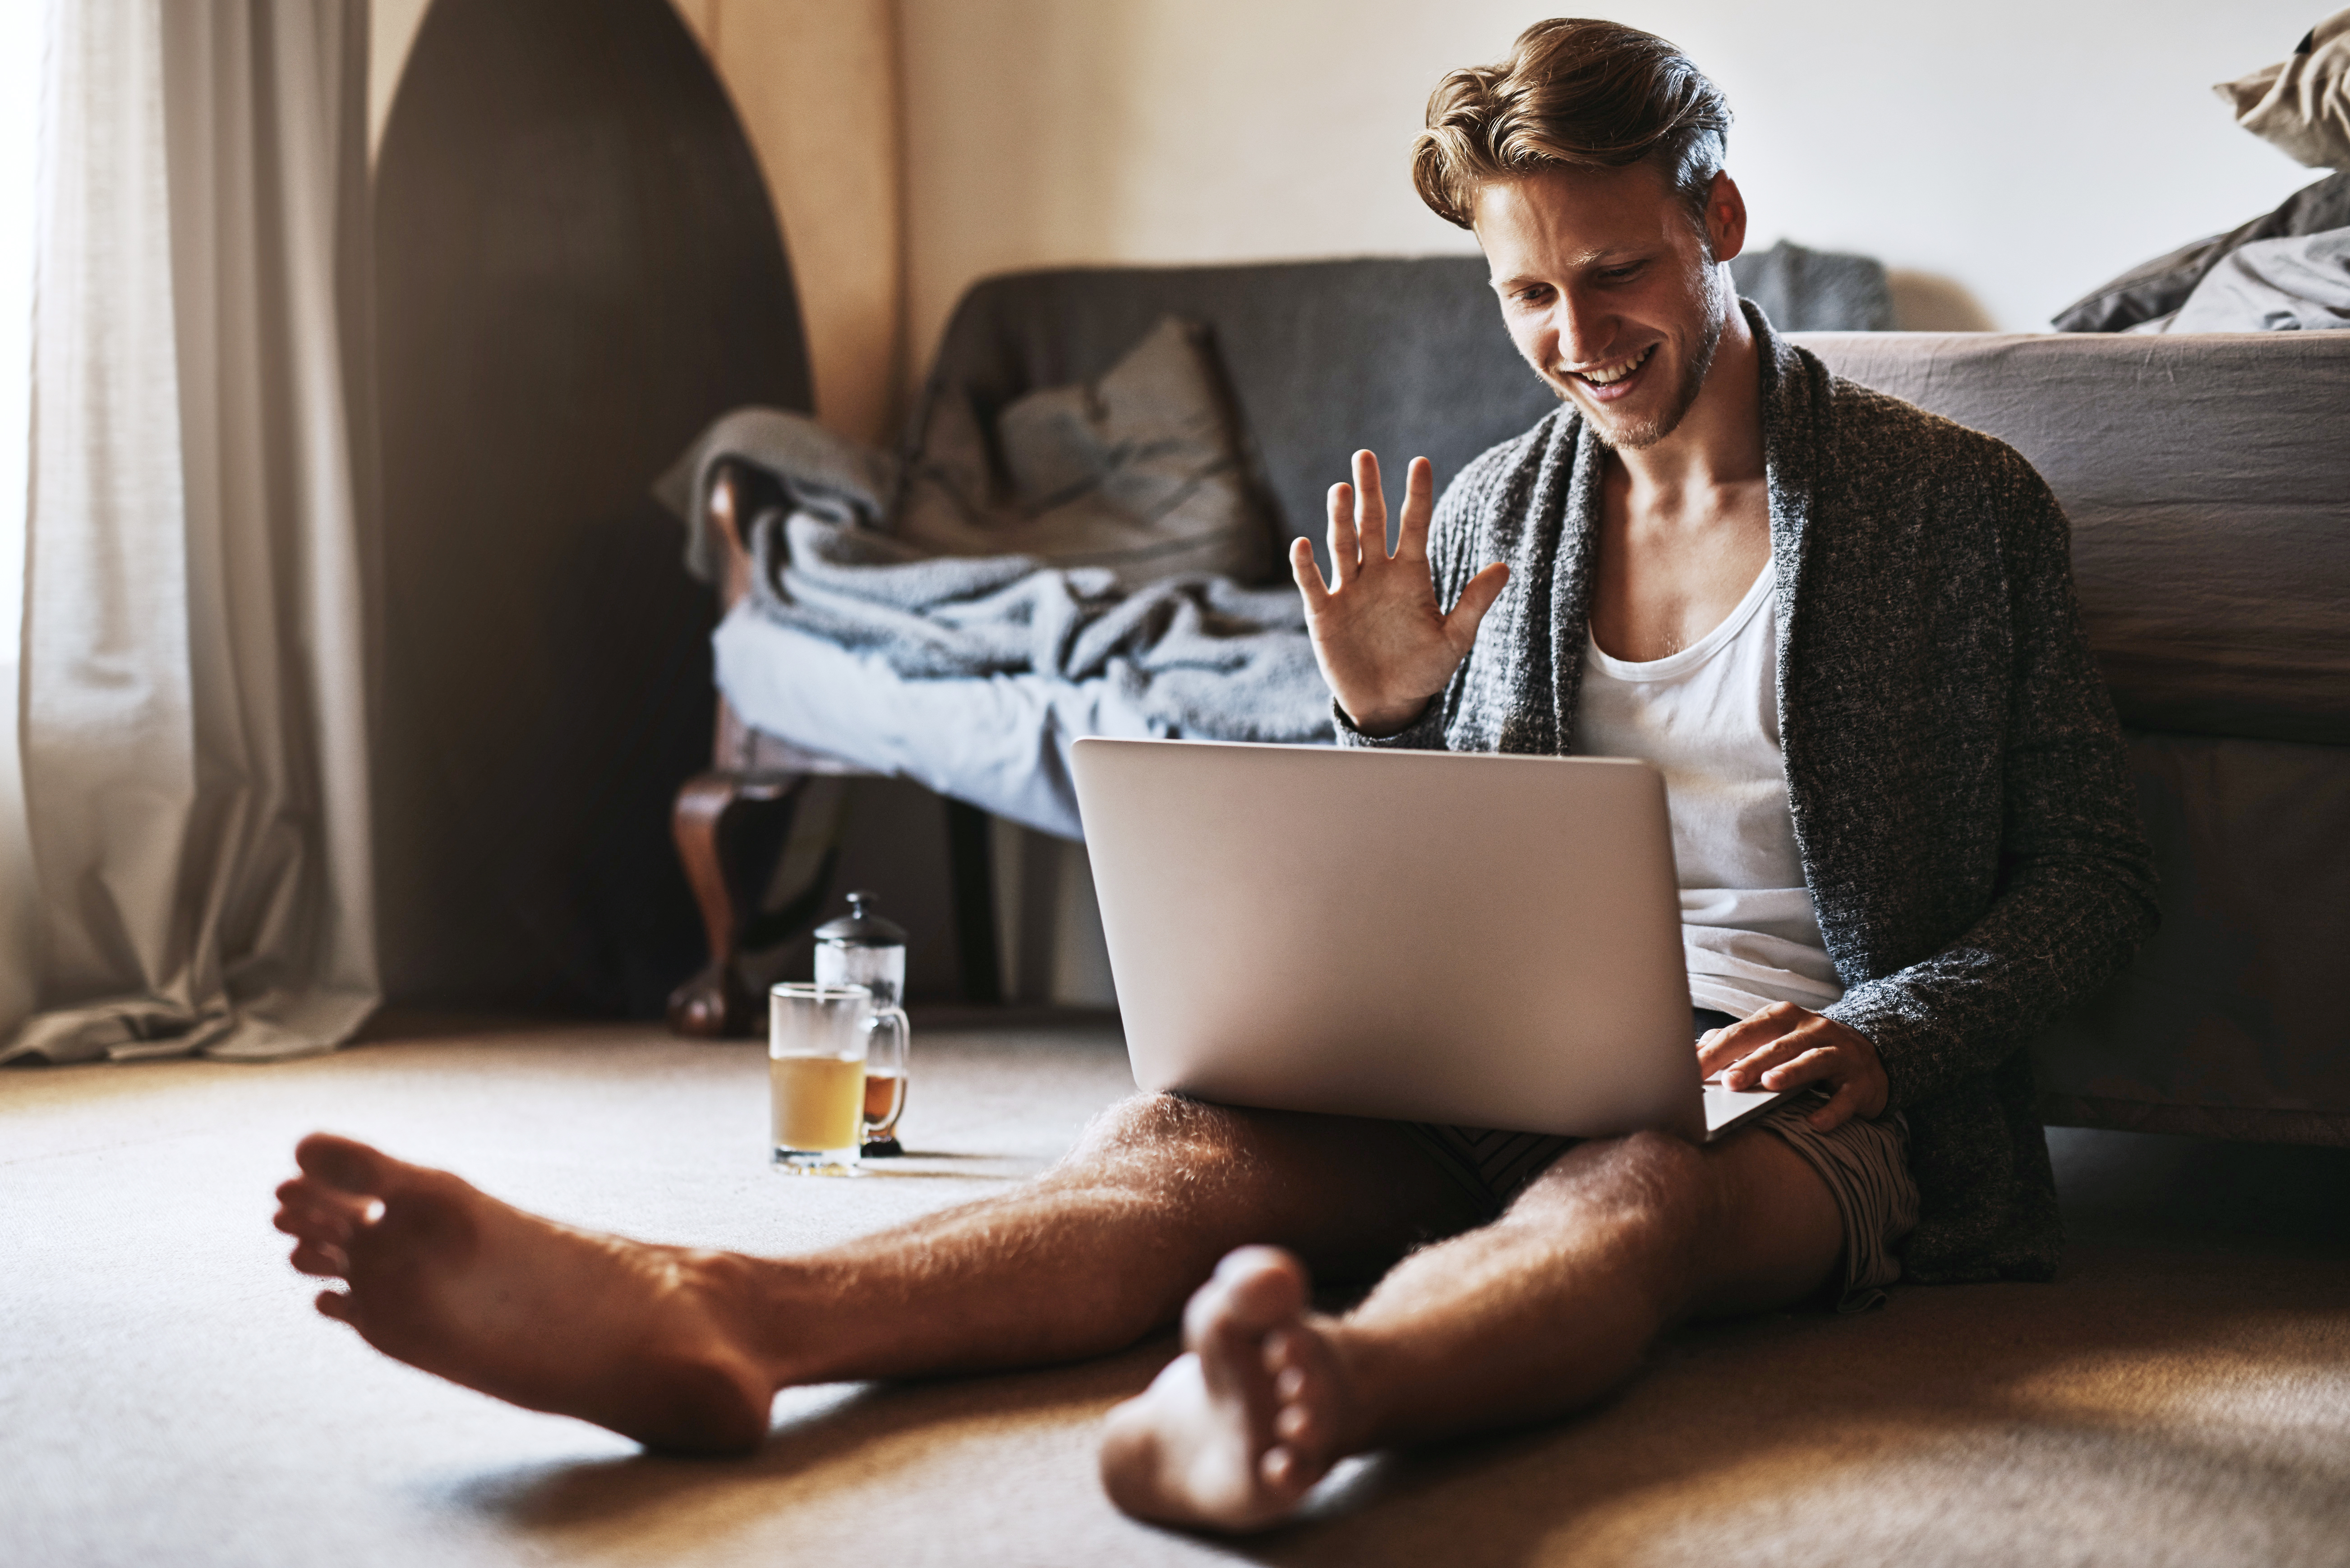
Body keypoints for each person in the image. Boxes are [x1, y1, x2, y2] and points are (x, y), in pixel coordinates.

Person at [271, 18, 2156, 1534]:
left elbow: (2089, 869)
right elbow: (1435, 866)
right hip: (1493, 1057)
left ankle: (1307, 1398)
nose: (1576, 342)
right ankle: (726, 1315)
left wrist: (1890, 1038)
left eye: (1619, 274)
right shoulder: (1501, 509)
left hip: (1791, 1096)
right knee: (1165, 1151)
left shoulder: (1948, 507)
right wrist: (1380, 717)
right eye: (1524, 299)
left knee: (1630, 1199)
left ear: (1718, 218)